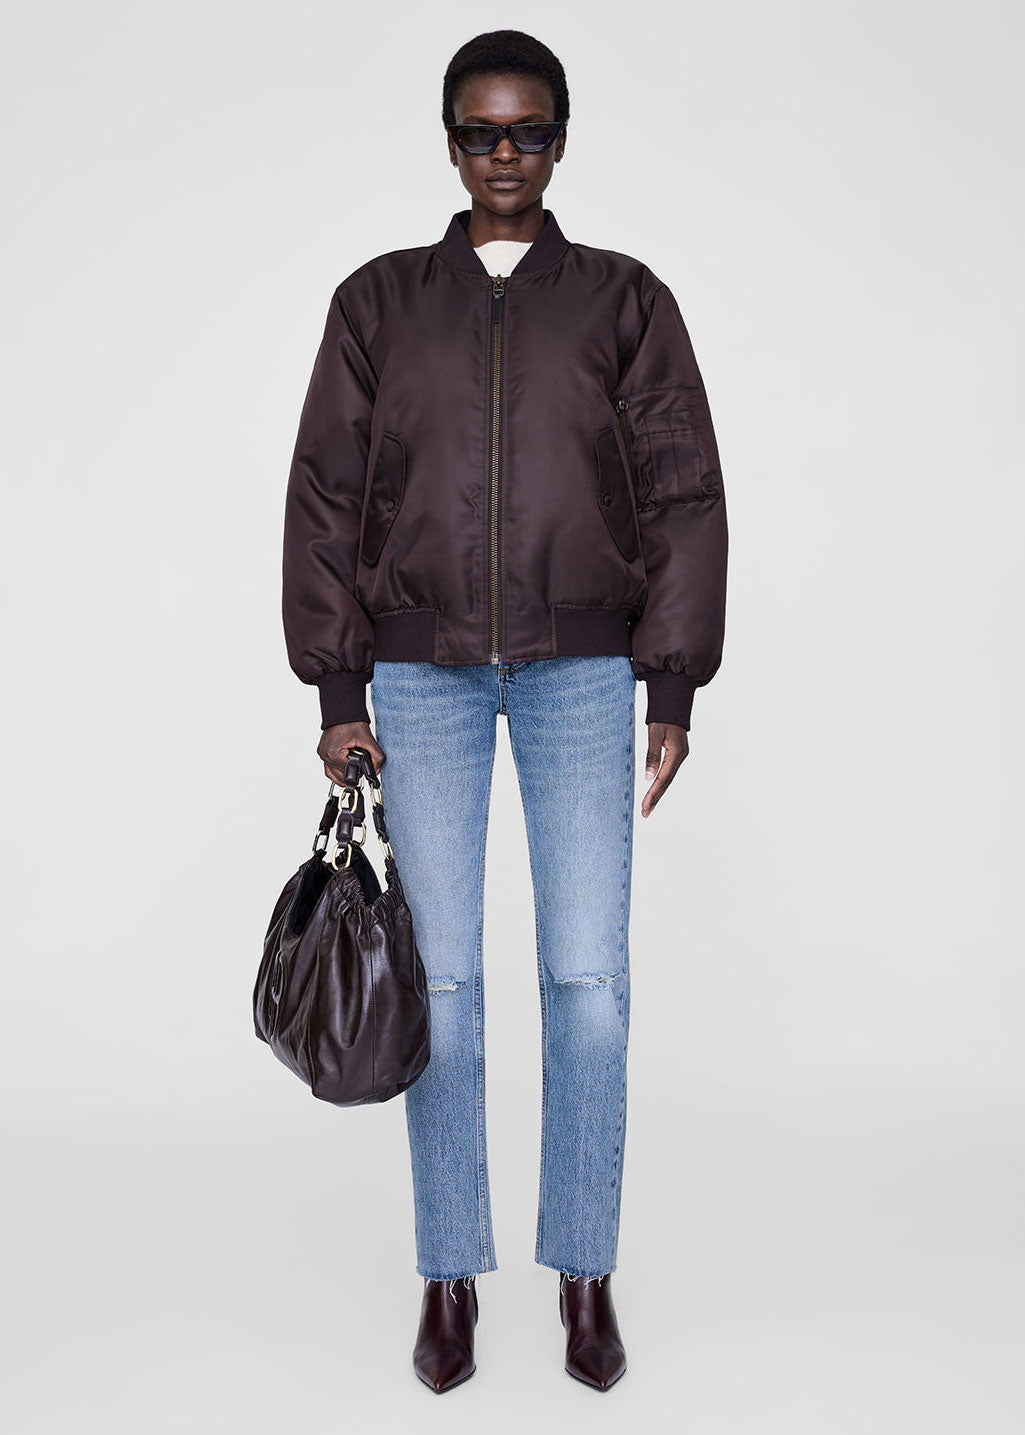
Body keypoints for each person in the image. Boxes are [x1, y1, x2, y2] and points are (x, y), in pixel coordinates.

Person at [280, 29, 728, 1394]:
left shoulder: (623, 301)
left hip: (582, 672)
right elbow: (325, 495)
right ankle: (448, 1272)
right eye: (480, 133)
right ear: (449, 142)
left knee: (587, 984)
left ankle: (583, 1270)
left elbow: (682, 491)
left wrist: (669, 679)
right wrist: (340, 686)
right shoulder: (377, 303)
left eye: (528, 131)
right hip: (418, 675)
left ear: (561, 140)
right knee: (448, 990)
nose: (505, 156)